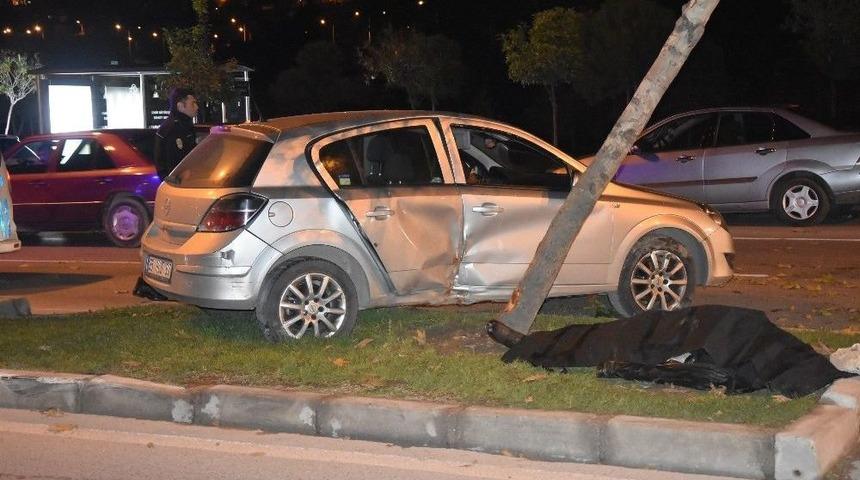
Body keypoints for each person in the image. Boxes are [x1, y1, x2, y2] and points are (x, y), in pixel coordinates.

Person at [154, 87, 199, 180]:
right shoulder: (172, 129)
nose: (196, 107)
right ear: (180, 106)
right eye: (193, 103)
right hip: (178, 185)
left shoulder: (185, 125)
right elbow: (173, 164)